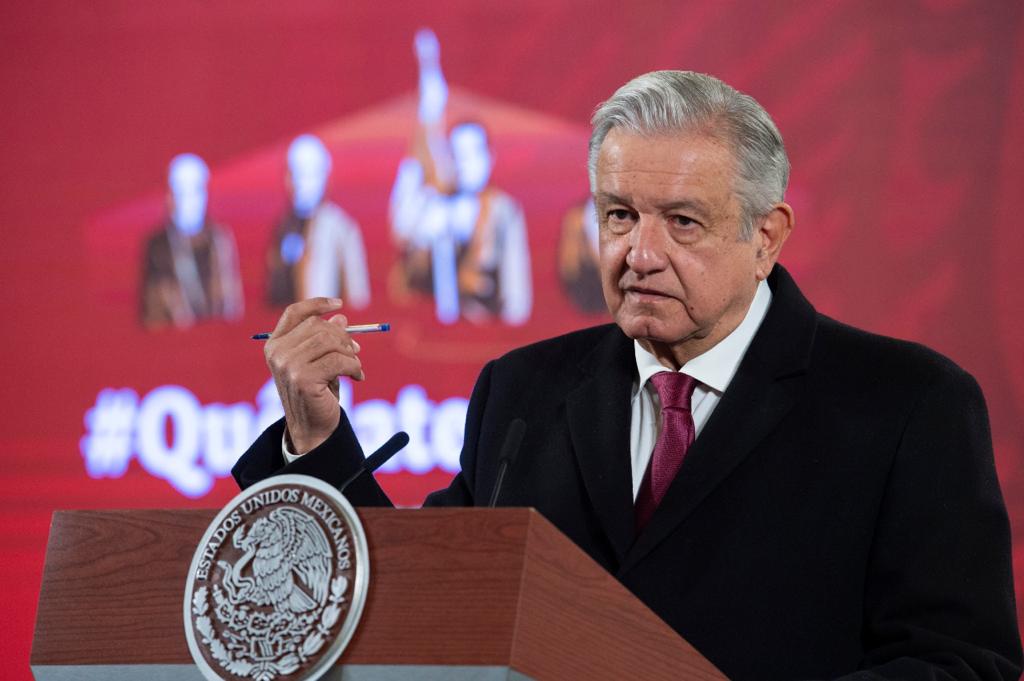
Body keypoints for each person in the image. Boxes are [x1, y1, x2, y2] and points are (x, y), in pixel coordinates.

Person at [233, 71, 1022, 680]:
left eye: (682, 221)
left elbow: (960, 664)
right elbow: (430, 605)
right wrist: (317, 440)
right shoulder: (523, 393)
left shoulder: (907, 405)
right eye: (618, 215)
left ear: (766, 236)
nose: (639, 254)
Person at [388, 29, 532, 325]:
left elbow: (517, 298)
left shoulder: (504, 210)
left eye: (474, 153)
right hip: (431, 331)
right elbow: (402, 227)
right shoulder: (438, 205)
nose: (466, 164)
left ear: (490, 156)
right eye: (458, 154)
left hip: (486, 331)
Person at [266, 134, 371, 309]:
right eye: (294, 174)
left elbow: (356, 293)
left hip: (326, 321)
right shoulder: (284, 227)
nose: (298, 183)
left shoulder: (341, 227)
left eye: (308, 174)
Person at [140, 153, 244, 328]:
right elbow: (152, 308)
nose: (184, 201)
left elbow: (229, 301)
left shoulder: (218, 239)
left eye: (192, 192)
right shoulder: (157, 246)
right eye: (177, 192)